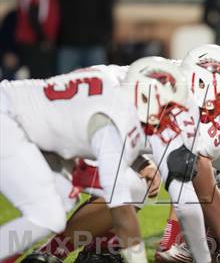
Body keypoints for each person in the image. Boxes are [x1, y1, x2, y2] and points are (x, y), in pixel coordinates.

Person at [0, 57, 188, 262]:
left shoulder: (120, 99)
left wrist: (141, 164)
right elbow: (122, 212)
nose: (168, 116)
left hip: (35, 127)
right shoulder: (113, 121)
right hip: (11, 120)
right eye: (166, 108)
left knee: (63, 200)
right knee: (48, 214)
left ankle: (47, 255)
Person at [53, 0, 113, 74]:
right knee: (64, 85)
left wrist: (104, 37)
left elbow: (106, 11)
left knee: (98, 84)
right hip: (66, 45)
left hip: (93, 44)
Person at [15, 0, 59, 79]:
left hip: (38, 39)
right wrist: (43, 37)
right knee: (39, 84)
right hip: (34, 40)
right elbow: (31, 7)